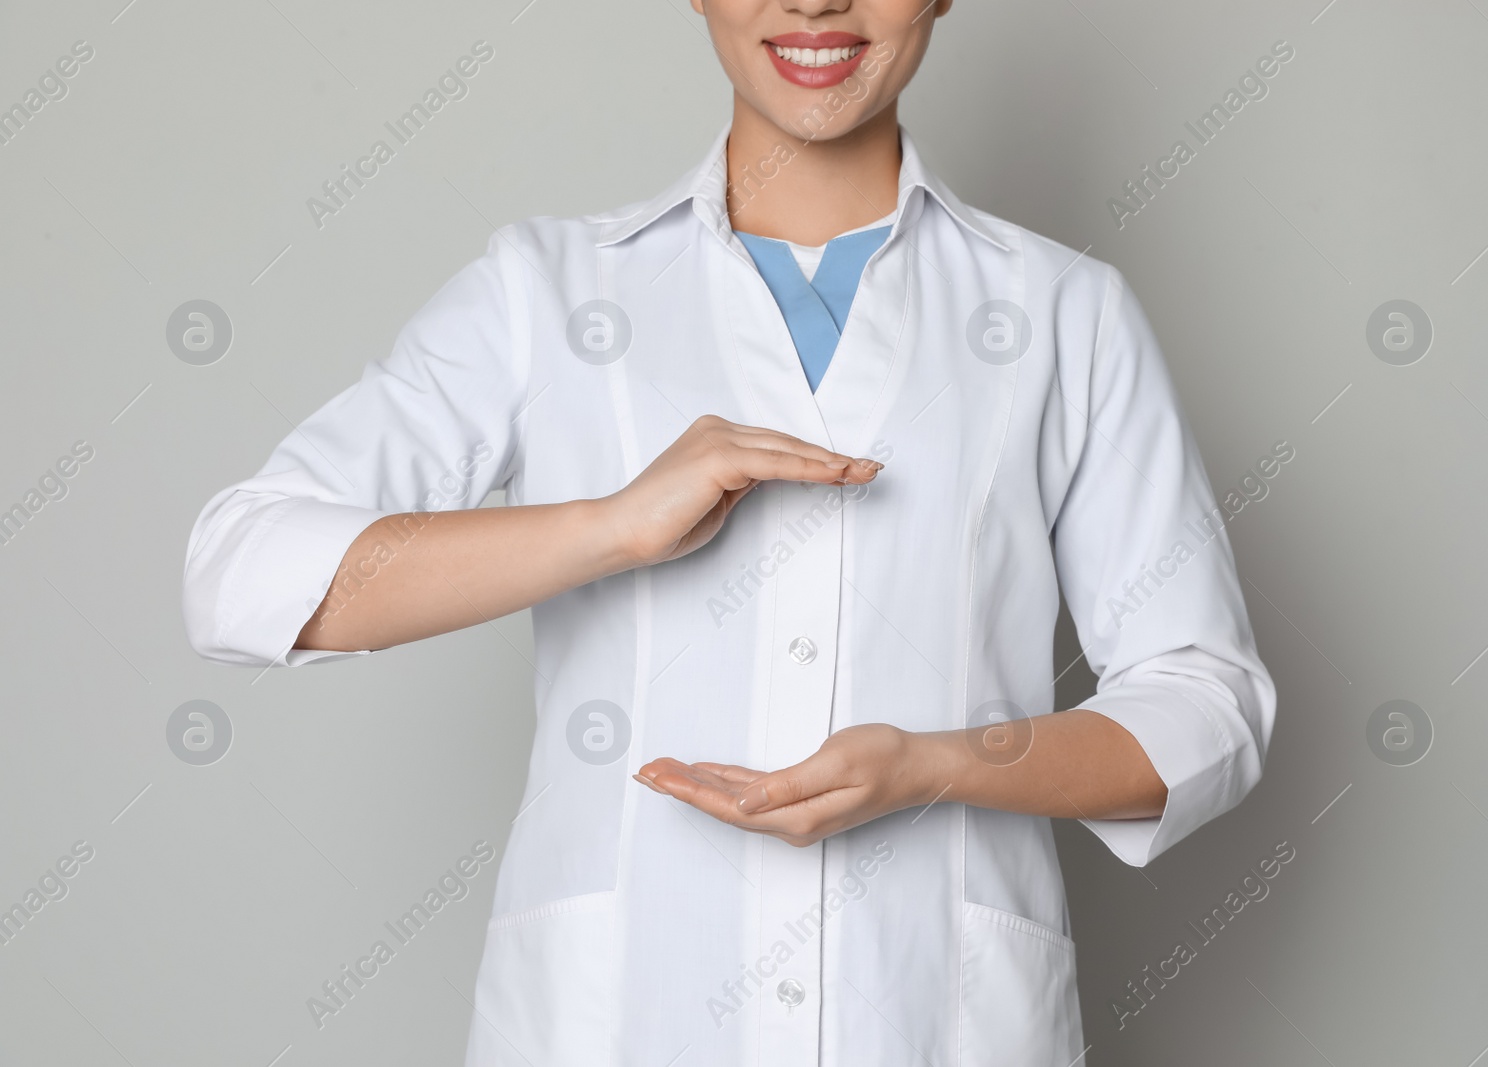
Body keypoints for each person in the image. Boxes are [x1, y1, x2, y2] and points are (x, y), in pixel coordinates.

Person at [183, 0, 1275, 1062]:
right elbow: (242, 575)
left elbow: (1205, 703)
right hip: (616, 1022)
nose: (813, 1)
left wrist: (934, 764)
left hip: (927, 1016)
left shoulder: (1063, 312)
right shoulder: (548, 291)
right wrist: (609, 527)